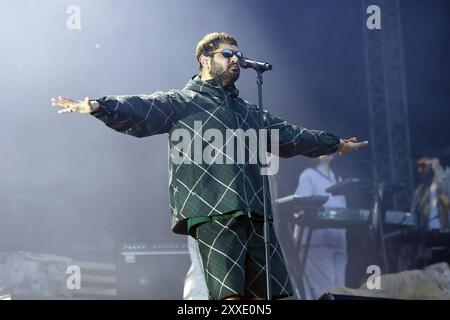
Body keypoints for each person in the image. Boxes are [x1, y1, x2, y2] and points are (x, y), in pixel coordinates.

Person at [51, 32, 368, 300]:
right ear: (204, 59)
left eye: (238, 55)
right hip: (214, 210)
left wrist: (333, 143)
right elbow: (142, 108)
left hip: (255, 214)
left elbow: (289, 135)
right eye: (227, 54)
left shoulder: (247, 111)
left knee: (279, 294)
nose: (236, 60)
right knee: (228, 296)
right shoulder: (183, 101)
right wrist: (99, 106)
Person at [294, 155, 347, 299]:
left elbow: (344, 212)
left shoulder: (338, 180)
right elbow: (300, 206)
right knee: (323, 290)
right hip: (316, 242)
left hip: (338, 241)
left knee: (340, 290)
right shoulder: (308, 175)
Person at [411, 157, 450, 266]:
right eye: (419, 168)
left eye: (423, 167)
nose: (420, 172)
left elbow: (448, 200)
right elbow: (414, 210)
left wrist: (438, 171)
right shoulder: (419, 191)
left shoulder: (440, 183)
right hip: (423, 233)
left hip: (441, 231)